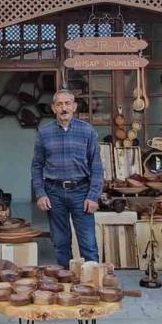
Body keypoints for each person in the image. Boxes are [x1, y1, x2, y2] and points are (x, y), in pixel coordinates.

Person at [31, 89, 103, 268]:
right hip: (54, 193)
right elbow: (37, 166)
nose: (64, 108)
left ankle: (92, 280)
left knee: (88, 243)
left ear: (74, 106)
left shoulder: (87, 131)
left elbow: (96, 166)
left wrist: (93, 196)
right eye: (59, 104)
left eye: (67, 104)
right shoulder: (44, 133)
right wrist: (40, 194)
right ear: (53, 108)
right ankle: (66, 281)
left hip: (81, 192)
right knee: (60, 243)